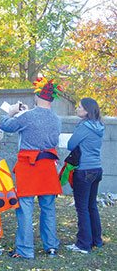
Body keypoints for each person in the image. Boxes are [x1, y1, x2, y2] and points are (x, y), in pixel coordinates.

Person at [0, 77, 63, 259]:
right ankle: (51, 247)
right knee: (48, 208)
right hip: (48, 167)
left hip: (29, 166)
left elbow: (6, 125)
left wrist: (11, 111)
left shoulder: (28, 116)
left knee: (26, 209)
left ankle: (25, 250)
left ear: (37, 95)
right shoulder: (57, 119)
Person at [66, 98, 104, 254]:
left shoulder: (84, 126)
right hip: (97, 169)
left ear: (87, 110)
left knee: (82, 208)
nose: (77, 109)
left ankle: (83, 244)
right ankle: (96, 240)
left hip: (84, 170)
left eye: (79, 107)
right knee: (91, 206)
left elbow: (70, 144)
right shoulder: (100, 126)